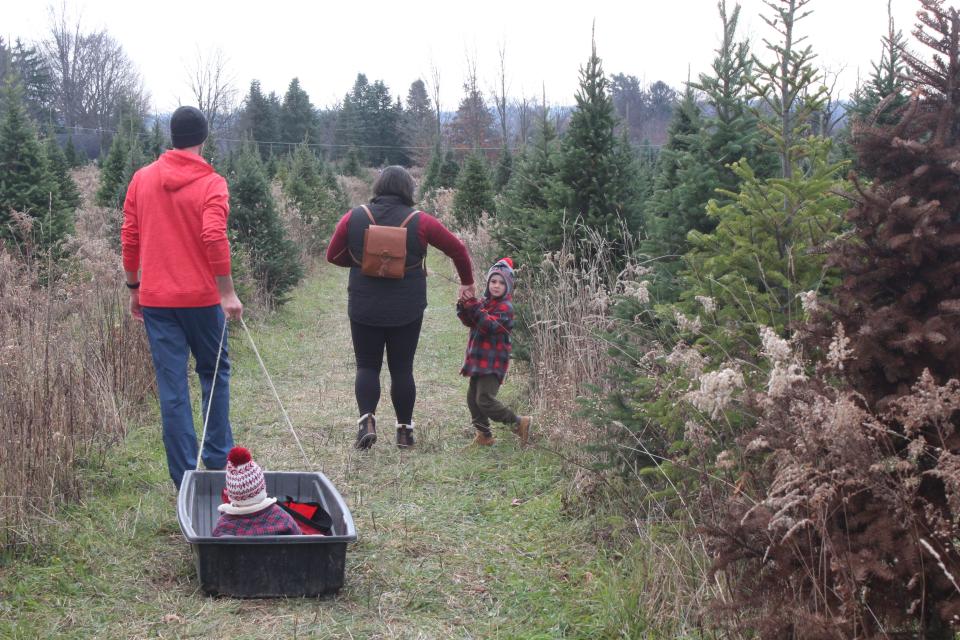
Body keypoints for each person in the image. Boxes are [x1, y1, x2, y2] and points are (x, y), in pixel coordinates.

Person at [121, 105, 243, 489]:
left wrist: (134, 287)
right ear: (203, 138)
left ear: (171, 137)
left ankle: (186, 480)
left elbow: (130, 235)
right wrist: (227, 292)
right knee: (214, 373)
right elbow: (213, 235)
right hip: (204, 301)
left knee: (172, 387)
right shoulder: (212, 183)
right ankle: (219, 460)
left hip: (157, 301)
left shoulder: (142, 179)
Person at [326, 165, 475, 450]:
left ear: (378, 187)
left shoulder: (354, 217)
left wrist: (363, 264)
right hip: (407, 307)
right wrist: (466, 283)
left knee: (367, 366)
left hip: (364, 304)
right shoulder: (421, 221)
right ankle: (404, 432)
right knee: (402, 369)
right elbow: (458, 249)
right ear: (408, 189)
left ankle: (367, 421)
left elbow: (333, 255)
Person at [457, 258, 532, 447]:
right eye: (493, 281)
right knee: (472, 399)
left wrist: (475, 307)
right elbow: (471, 321)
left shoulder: (505, 308)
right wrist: (464, 306)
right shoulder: (484, 302)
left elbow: (489, 325)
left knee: (484, 399)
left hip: (493, 363)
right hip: (478, 359)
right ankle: (484, 435)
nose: (496, 286)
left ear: (507, 286)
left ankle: (518, 422)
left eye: (501, 283)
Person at [212, 447, 301, 537]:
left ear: (231, 495)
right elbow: (298, 539)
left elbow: (215, 548)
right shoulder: (281, 517)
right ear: (262, 488)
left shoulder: (224, 525)